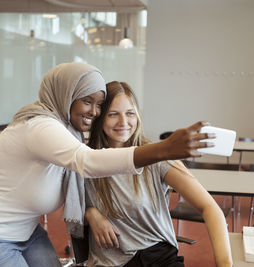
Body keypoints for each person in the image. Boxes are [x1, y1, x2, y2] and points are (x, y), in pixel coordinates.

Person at [0, 62, 212, 267]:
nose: (94, 111)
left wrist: (91, 211)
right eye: (86, 101)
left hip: (22, 229)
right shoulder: (40, 127)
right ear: (65, 95)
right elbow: (87, 162)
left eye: (99, 104)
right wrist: (165, 148)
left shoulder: (68, 132)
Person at [84, 81, 233, 267]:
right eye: (113, 114)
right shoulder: (85, 157)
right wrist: (90, 213)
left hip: (157, 258)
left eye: (130, 113)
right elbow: (68, 200)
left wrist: (224, 263)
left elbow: (210, 208)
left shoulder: (157, 155)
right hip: (110, 263)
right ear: (100, 118)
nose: (123, 122)